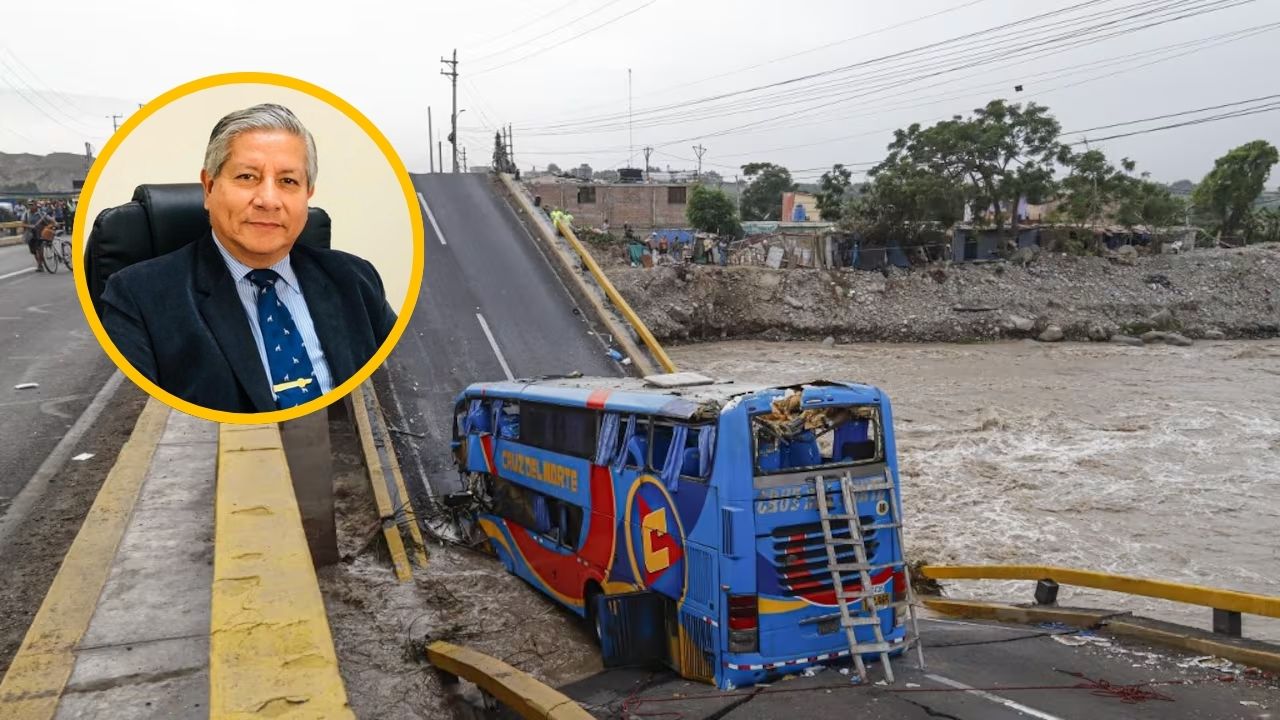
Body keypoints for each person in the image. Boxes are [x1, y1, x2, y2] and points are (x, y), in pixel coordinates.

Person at [99, 103, 397, 413]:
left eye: (288, 181)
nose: (269, 200)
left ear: (307, 194)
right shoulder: (138, 297)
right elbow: (135, 426)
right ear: (209, 186)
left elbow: (400, 386)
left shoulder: (355, 279)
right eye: (247, 177)